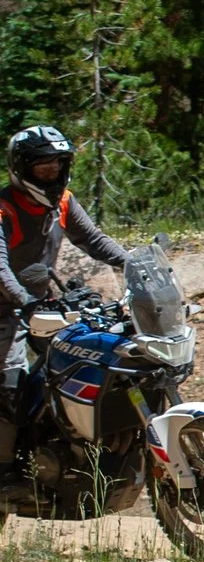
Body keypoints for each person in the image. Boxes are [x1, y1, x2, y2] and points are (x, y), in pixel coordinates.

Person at [0, 127, 126, 467]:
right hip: (7, 310)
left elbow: (94, 241)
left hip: (40, 306)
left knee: (74, 366)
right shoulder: (4, 208)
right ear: (22, 169)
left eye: (56, 166)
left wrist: (133, 262)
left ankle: (61, 452)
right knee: (10, 388)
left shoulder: (63, 202)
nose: (51, 173)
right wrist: (24, 300)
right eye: (43, 168)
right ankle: (6, 473)